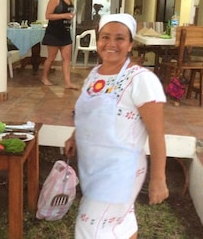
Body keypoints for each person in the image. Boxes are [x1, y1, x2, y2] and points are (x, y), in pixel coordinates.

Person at [64, 13, 169, 238]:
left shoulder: (141, 80)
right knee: (120, 223)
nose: (111, 44)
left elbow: (157, 133)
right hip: (93, 166)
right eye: (105, 37)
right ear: (97, 41)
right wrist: (75, 136)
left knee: (89, 227)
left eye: (120, 38)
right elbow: (89, 113)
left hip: (121, 170)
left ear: (131, 44)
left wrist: (158, 179)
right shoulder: (94, 74)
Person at [41, 0, 78, 89]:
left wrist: (71, 16)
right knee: (51, 58)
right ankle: (44, 77)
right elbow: (48, 15)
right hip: (54, 32)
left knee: (66, 58)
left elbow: (67, 14)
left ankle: (68, 83)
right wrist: (64, 16)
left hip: (65, 32)